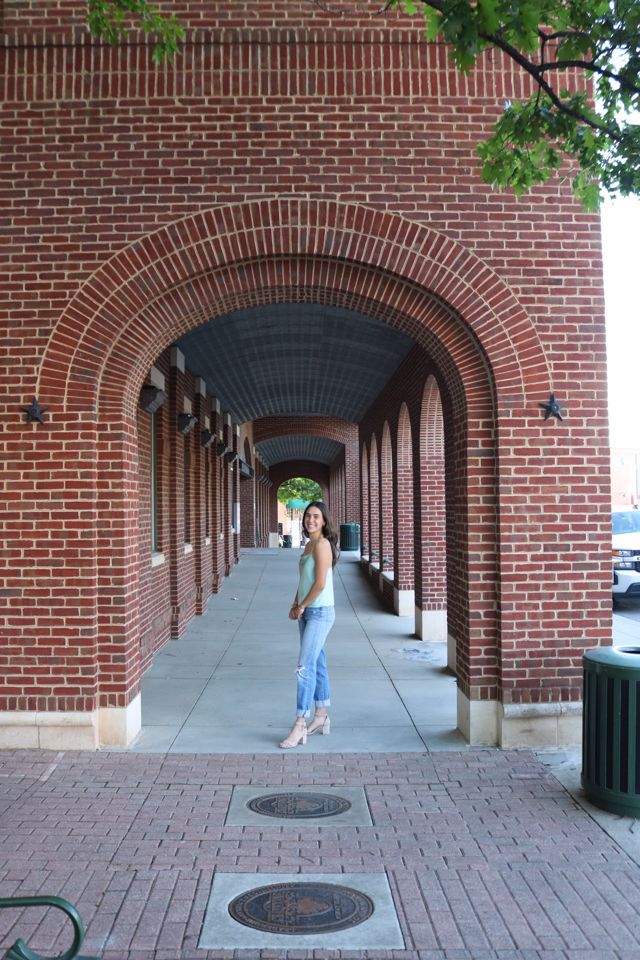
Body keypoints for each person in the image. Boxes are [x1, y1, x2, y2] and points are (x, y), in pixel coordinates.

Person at [279, 501, 339, 749]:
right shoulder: (309, 545)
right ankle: (321, 715)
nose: (310, 520)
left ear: (324, 521)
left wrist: (303, 605)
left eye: (316, 516)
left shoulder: (323, 545)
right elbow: (305, 580)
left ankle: (300, 723)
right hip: (307, 611)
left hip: (320, 612)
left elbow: (320, 584)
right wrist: (296, 603)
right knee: (317, 663)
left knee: (304, 667)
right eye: (308, 516)